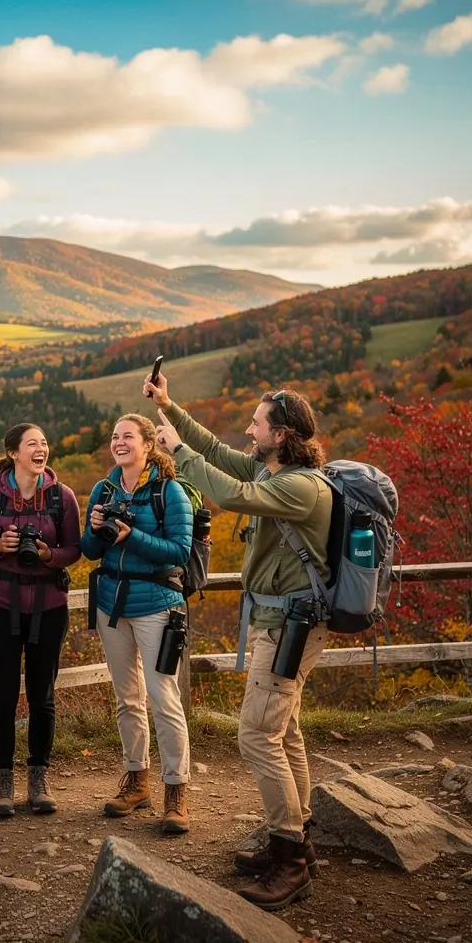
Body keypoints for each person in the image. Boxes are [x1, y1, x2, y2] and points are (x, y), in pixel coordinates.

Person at [146, 370, 332, 911]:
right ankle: (299, 840)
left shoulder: (298, 485)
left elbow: (230, 492)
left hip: (291, 626)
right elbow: (216, 453)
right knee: (285, 730)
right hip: (281, 622)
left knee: (256, 735)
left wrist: (177, 452)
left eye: (257, 423)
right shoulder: (273, 467)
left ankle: (291, 860)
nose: (249, 430)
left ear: (282, 435)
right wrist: (170, 409)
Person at [0, 424, 82, 817]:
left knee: (43, 696)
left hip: (49, 607)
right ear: (14, 452)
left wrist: (48, 556)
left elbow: (75, 550)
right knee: (4, 696)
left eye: (45, 442)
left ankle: (38, 780)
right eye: (33, 443)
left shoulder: (62, 498)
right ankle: (2, 783)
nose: (41, 448)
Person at [80, 414, 194, 835]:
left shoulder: (170, 491)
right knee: (127, 698)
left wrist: (132, 536)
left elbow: (180, 552)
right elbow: (89, 551)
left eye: (127, 436)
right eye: (114, 436)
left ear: (148, 445)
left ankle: (176, 789)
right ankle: (136, 779)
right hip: (112, 603)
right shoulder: (103, 489)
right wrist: (95, 531)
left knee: (163, 698)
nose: (118, 442)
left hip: (157, 605)